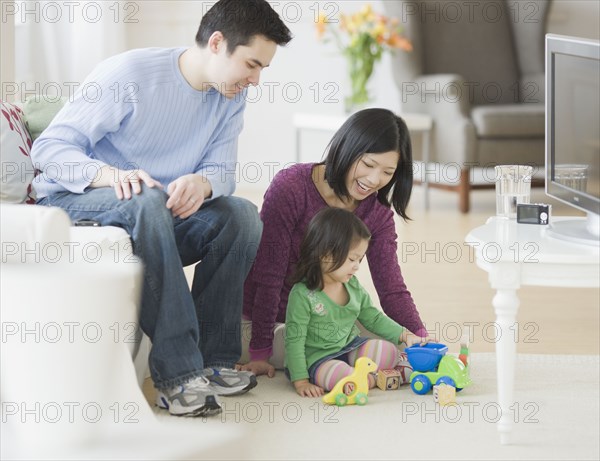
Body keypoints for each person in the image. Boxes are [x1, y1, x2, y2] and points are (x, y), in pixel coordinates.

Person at [30, 0, 292, 417]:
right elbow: (49, 149)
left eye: (262, 69)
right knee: (145, 198)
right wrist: (109, 175)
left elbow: (222, 170)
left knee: (240, 216)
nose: (255, 80)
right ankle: (176, 376)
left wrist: (203, 182)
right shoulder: (130, 74)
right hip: (76, 199)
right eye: (251, 64)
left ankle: (213, 361)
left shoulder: (229, 97)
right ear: (218, 43)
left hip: (151, 211)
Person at [242, 108, 430, 378]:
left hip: (327, 319)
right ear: (347, 149)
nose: (375, 180)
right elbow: (267, 275)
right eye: (368, 164)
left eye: (388, 172)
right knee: (341, 354)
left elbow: (391, 288)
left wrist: (421, 338)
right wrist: (260, 350)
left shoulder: (378, 214)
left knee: (392, 347)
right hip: (274, 320)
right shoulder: (292, 187)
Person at [285, 208, 413, 397]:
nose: (357, 266)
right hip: (319, 360)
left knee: (388, 351)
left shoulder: (352, 285)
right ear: (325, 254)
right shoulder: (303, 294)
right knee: (341, 377)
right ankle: (376, 378)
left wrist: (404, 334)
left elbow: (374, 318)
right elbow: (294, 341)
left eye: (359, 259)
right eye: (352, 259)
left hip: (351, 346)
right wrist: (301, 381)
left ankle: (367, 377)